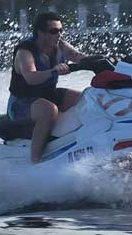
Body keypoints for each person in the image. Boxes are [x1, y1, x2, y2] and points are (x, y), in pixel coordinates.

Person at [7, 12, 86, 164]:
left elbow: (78, 56)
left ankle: (83, 141)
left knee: (86, 98)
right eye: (54, 31)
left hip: (48, 95)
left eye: (61, 30)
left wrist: (105, 61)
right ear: (40, 33)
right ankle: (35, 160)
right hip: (21, 104)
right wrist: (54, 71)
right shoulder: (25, 51)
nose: (59, 35)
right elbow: (31, 77)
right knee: (49, 110)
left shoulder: (60, 45)